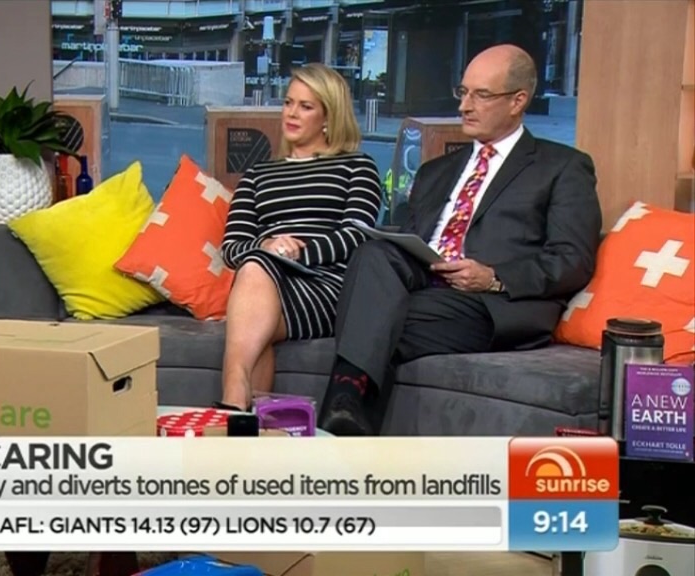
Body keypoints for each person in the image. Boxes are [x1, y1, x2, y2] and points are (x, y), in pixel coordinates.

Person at [317, 44, 602, 436]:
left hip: (490, 303)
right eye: (463, 92)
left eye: (481, 95)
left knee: (367, 319)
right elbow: (405, 243)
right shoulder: (436, 171)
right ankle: (348, 419)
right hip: (423, 283)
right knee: (374, 252)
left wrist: (494, 277)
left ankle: (343, 410)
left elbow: (573, 259)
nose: (465, 106)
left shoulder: (563, 167)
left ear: (518, 101)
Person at [216, 63, 384, 411]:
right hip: (266, 280)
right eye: (288, 103)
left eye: (305, 106)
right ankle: (246, 416)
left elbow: (357, 234)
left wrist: (297, 253)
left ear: (328, 117)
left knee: (256, 283)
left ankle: (232, 399)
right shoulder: (257, 175)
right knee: (255, 276)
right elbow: (231, 248)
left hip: (327, 284)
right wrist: (267, 246)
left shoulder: (357, 166)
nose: (291, 113)